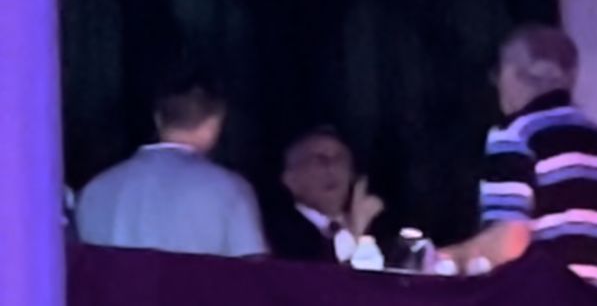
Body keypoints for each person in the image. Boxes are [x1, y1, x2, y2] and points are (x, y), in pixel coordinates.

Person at [442, 25, 597, 284]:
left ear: (510, 73)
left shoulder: (516, 135)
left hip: (552, 299)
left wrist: (443, 259)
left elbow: (507, 244)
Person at [76, 82, 268, 258]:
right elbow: (254, 272)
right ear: (214, 124)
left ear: (158, 119)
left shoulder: (95, 188)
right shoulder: (230, 189)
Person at [264, 126, 391, 264]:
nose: (331, 168)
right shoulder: (277, 231)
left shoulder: (379, 227)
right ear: (290, 179)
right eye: (319, 160)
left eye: (340, 158)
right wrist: (356, 232)